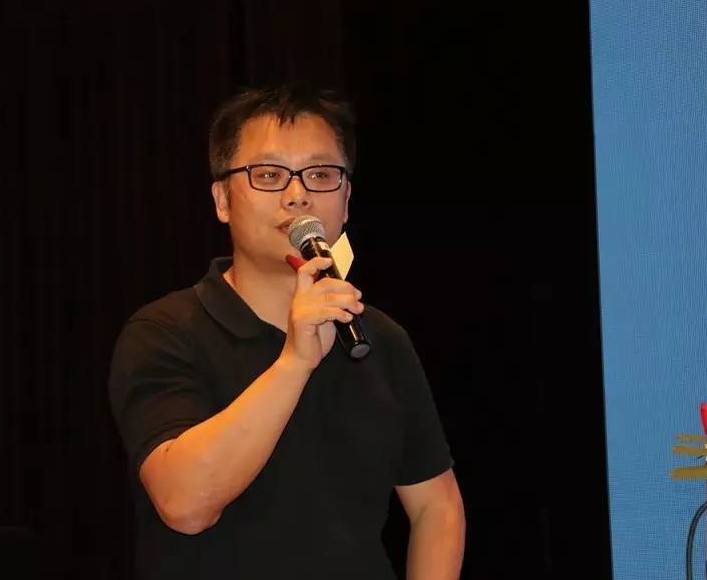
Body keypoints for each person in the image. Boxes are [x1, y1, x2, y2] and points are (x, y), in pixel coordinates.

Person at [108, 85, 465, 579]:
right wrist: (295, 362)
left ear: (346, 199)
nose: (298, 195)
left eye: (320, 175)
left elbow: (437, 507)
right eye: (269, 175)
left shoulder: (378, 336)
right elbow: (186, 504)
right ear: (222, 199)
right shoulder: (165, 332)